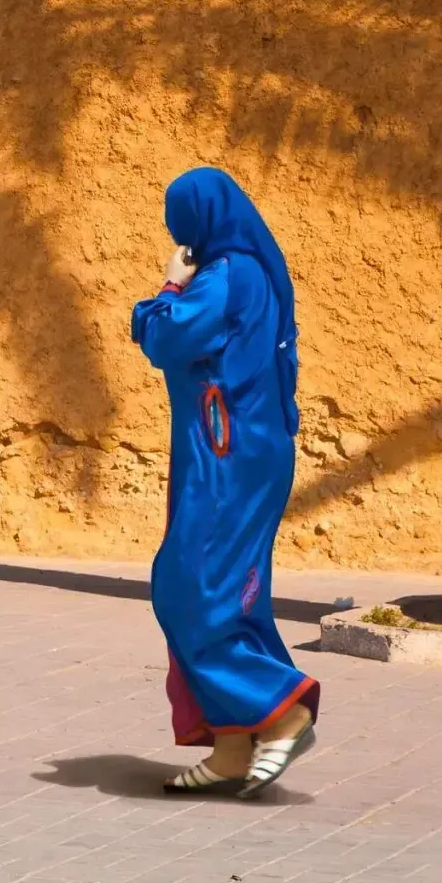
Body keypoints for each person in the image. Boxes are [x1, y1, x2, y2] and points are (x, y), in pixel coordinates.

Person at [130, 167, 319, 800]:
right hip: (232, 449)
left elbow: (166, 334)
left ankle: (281, 708)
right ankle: (235, 743)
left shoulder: (225, 274)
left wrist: (166, 285)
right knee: (226, 591)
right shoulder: (247, 270)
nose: (175, 229)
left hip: (226, 453)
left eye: (178, 215)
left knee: (188, 587)